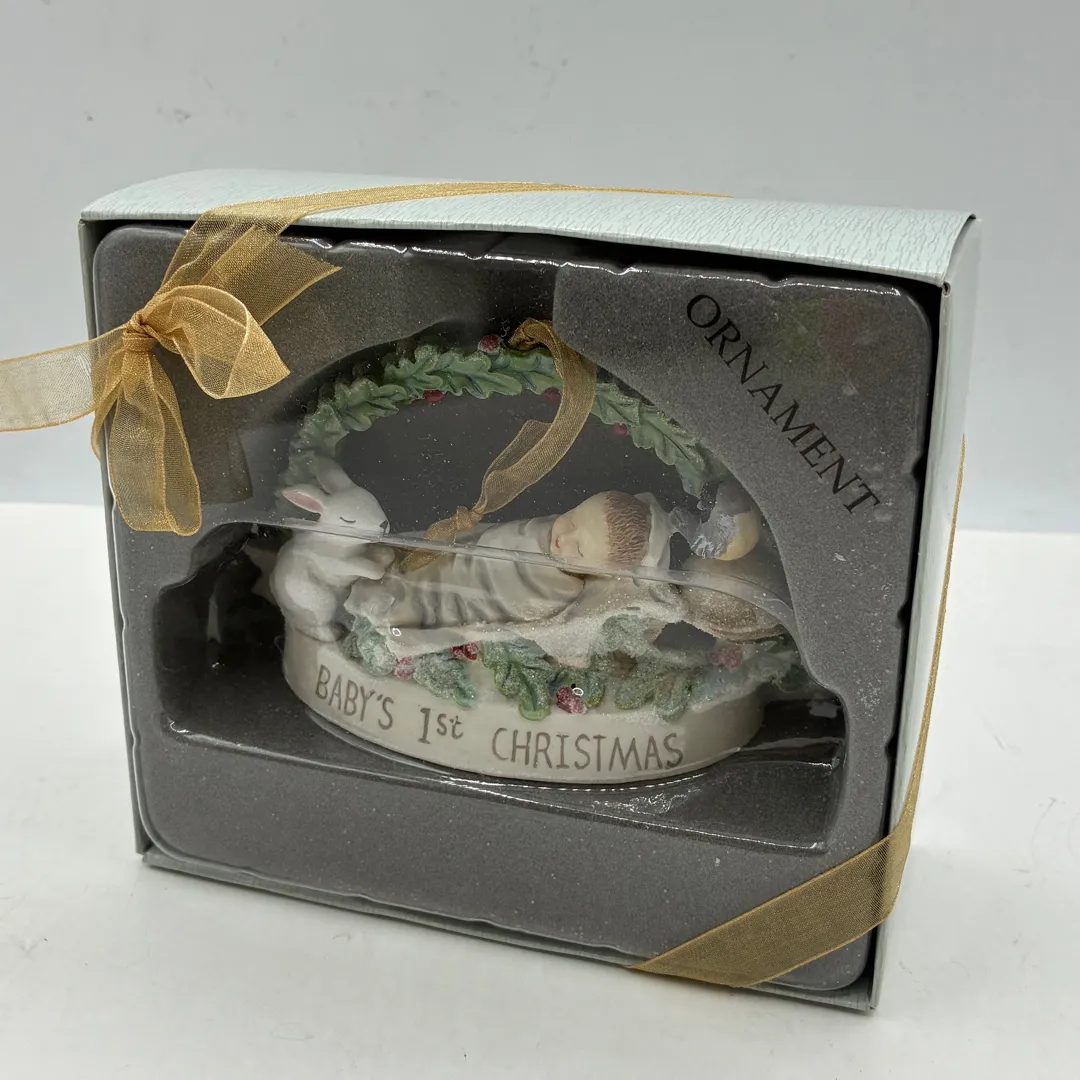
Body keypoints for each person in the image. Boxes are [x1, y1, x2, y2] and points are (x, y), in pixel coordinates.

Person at [346, 491, 668, 635]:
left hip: (458, 601)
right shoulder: (543, 528)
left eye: (580, 550)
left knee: (406, 607)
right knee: (408, 562)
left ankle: (386, 600)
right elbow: (489, 536)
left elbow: (494, 611)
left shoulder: (557, 591)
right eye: (571, 519)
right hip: (453, 560)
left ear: (600, 573)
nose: (564, 538)